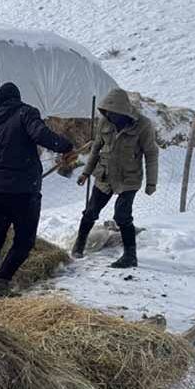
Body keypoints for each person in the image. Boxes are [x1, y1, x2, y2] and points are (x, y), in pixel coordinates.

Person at [0, 82, 74, 296]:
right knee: (24, 241)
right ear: (17, 98)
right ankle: (1, 280)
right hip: (23, 192)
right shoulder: (25, 113)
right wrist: (65, 146)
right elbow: (40, 134)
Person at [71, 88, 158, 268]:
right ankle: (79, 245)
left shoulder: (143, 125)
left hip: (129, 178)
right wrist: (86, 172)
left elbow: (151, 154)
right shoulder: (105, 122)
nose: (110, 116)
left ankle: (130, 256)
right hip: (105, 175)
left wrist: (151, 182)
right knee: (90, 212)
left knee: (122, 216)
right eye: (107, 112)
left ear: (124, 112)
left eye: (114, 113)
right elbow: (96, 149)